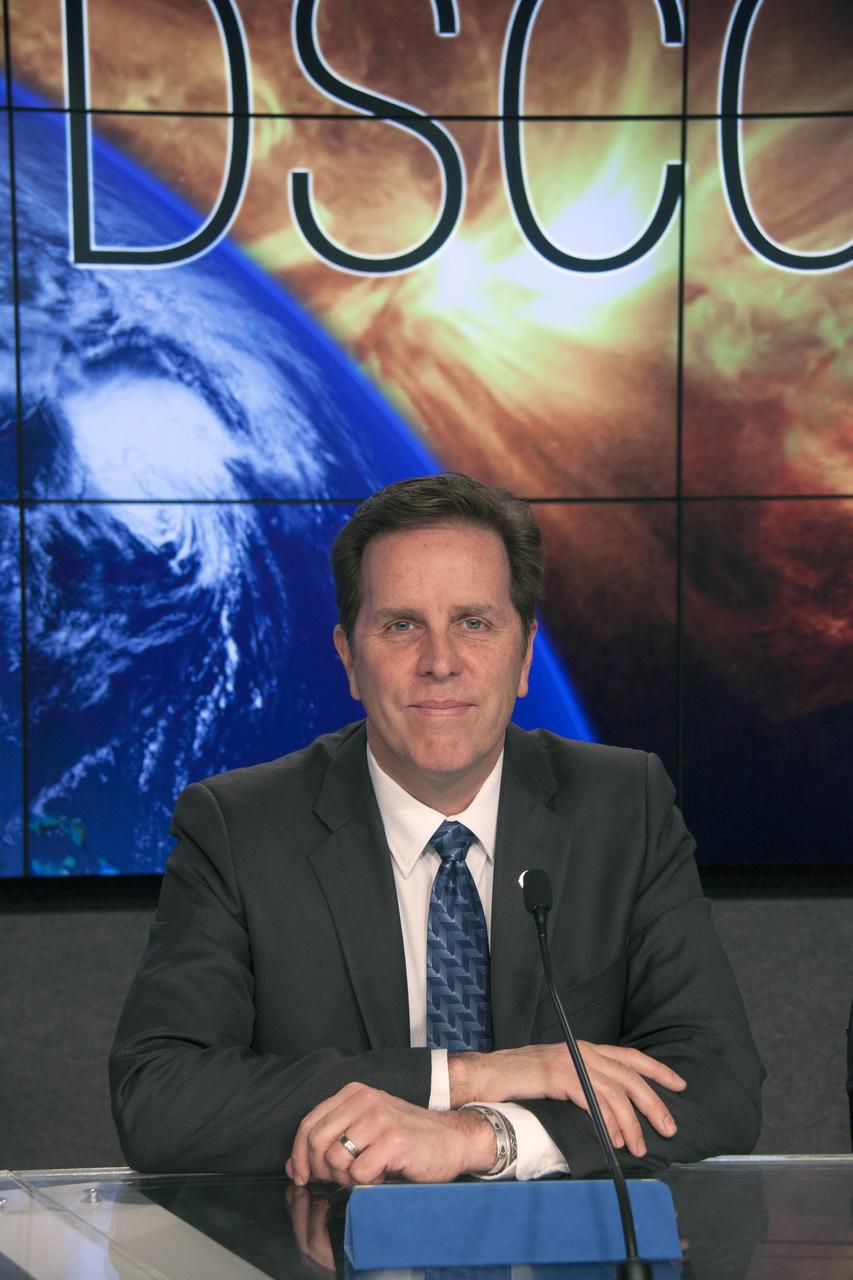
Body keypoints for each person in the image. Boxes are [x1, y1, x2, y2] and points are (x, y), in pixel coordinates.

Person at [110, 473, 763, 1183]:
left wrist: (478, 1134)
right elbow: (160, 1101)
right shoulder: (240, 828)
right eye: (400, 625)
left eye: (474, 623)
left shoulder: (621, 806)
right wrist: (469, 1076)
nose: (440, 662)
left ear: (523, 656)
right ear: (347, 658)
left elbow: (715, 1083)